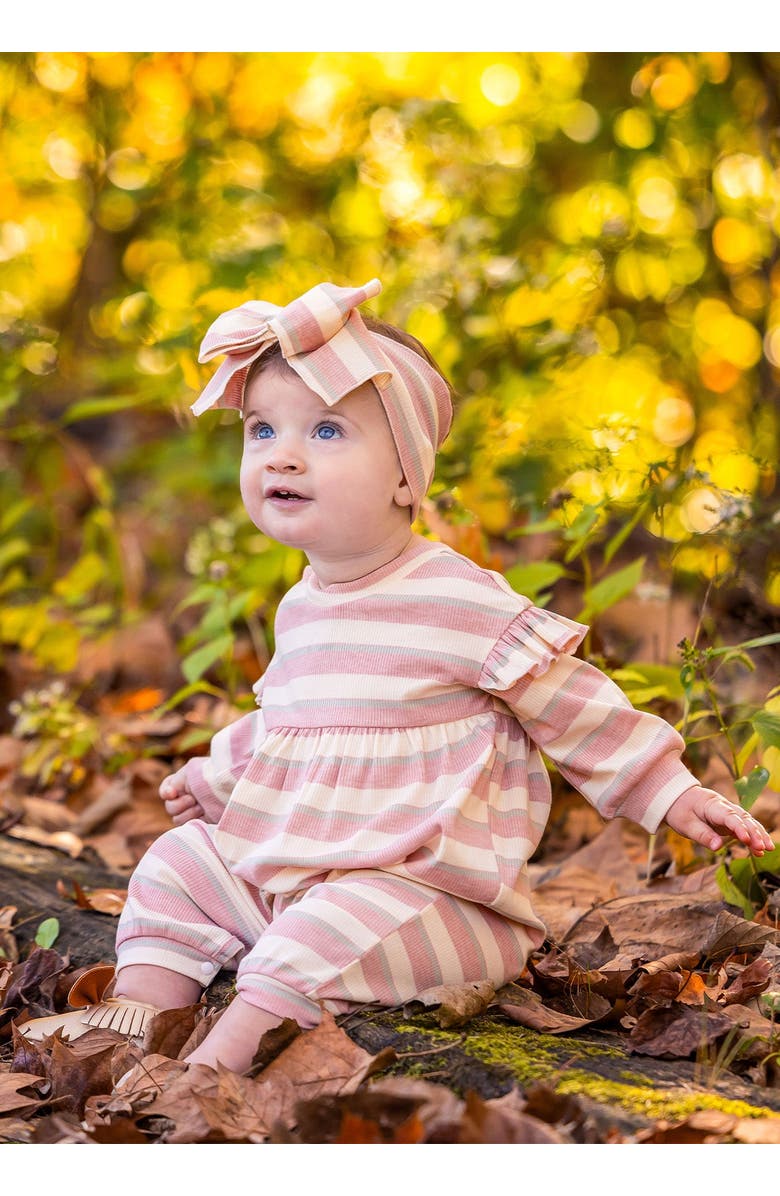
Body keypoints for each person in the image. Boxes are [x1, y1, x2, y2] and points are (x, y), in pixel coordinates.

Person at [20, 278, 774, 1071]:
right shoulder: (302, 605)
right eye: (262, 428)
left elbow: (571, 704)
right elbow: (298, 722)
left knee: (320, 934)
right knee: (180, 863)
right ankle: (138, 1022)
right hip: (309, 880)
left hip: (438, 904)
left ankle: (202, 1078)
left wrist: (671, 789)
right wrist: (223, 774)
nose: (282, 452)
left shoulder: (456, 596)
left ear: (406, 478)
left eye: (326, 430)